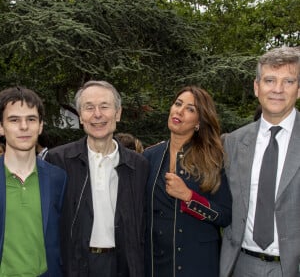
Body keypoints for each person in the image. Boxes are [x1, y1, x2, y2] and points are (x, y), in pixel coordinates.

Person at [45, 80, 149, 277]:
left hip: (123, 266)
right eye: (89, 107)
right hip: (75, 265)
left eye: (104, 106)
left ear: (118, 113)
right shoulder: (59, 160)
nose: (97, 114)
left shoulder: (139, 166)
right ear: (81, 116)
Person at [220, 46, 300, 277]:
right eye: (270, 80)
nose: (277, 89)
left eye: (288, 81)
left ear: (298, 88)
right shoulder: (233, 142)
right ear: (257, 87)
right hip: (241, 265)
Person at [143, 85, 232, 277]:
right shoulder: (149, 156)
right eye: (178, 104)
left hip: (197, 263)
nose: (180, 111)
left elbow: (226, 215)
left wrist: (189, 197)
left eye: (190, 109)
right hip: (155, 263)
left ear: (198, 122)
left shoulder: (214, 160)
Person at [0, 86, 67, 276]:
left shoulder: (58, 178)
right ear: (1, 127)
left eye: (31, 119)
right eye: (14, 120)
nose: (24, 127)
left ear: (41, 126)